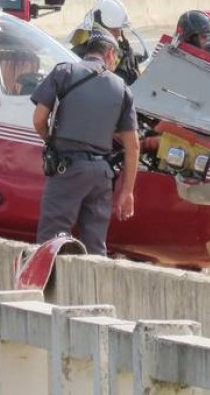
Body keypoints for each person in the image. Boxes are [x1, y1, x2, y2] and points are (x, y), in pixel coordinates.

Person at [30, 29, 140, 254]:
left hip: (67, 168)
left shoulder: (65, 72)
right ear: (110, 53)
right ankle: (94, 288)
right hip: (101, 174)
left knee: (51, 240)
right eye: (116, 58)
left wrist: (51, 141)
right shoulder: (122, 89)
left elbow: (40, 119)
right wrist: (127, 192)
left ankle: (47, 287)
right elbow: (133, 146)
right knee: (96, 246)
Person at [68, 0, 143, 84]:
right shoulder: (76, 57)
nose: (119, 33)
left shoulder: (127, 55)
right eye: (114, 29)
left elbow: (139, 87)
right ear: (98, 28)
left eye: (120, 29)